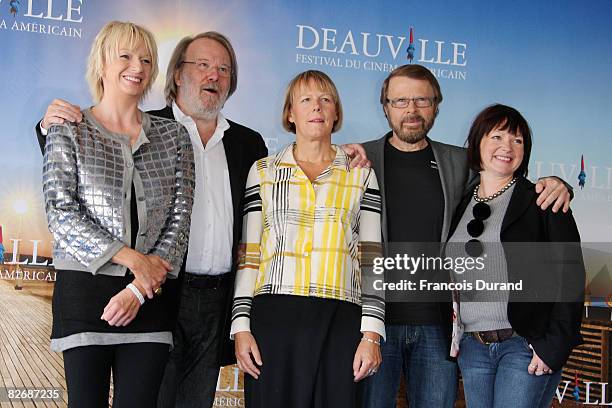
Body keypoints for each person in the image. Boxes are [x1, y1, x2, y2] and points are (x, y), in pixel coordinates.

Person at [37, 32, 368, 408]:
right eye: (203, 65)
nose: (214, 75)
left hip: (216, 301)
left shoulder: (248, 143)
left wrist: (339, 152)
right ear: (177, 74)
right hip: (157, 294)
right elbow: (80, 176)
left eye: (224, 69)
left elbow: (295, 171)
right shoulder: (148, 127)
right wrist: (48, 126)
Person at [360, 64, 573, 408]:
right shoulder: (358, 158)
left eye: (422, 100)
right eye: (400, 101)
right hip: (374, 325)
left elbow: (506, 178)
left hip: (440, 330)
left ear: (436, 106)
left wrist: (559, 186)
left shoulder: (460, 162)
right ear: (385, 106)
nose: (411, 110)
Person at [42, 21, 195, 408]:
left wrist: (139, 287)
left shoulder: (174, 136)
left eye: (146, 58)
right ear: (102, 63)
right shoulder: (69, 128)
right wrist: (132, 261)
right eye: (125, 56)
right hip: (84, 299)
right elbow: (61, 213)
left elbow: (179, 222)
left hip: (150, 302)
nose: (137, 66)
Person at [231, 70, 384, 407]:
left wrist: (371, 334)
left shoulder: (361, 173)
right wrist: (241, 326)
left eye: (325, 99)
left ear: (336, 113)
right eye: (306, 100)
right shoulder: (263, 171)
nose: (317, 107)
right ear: (290, 113)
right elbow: (249, 255)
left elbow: (372, 260)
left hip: (341, 321)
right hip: (274, 318)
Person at [446, 104, 584, 408]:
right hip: (473, 347)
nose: (506, 147)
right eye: (496, 137)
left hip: (524, 345)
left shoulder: (544, 199)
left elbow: (570, 276)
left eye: (517, 140)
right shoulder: (461, 201)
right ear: (477, 143)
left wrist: (553, 346)